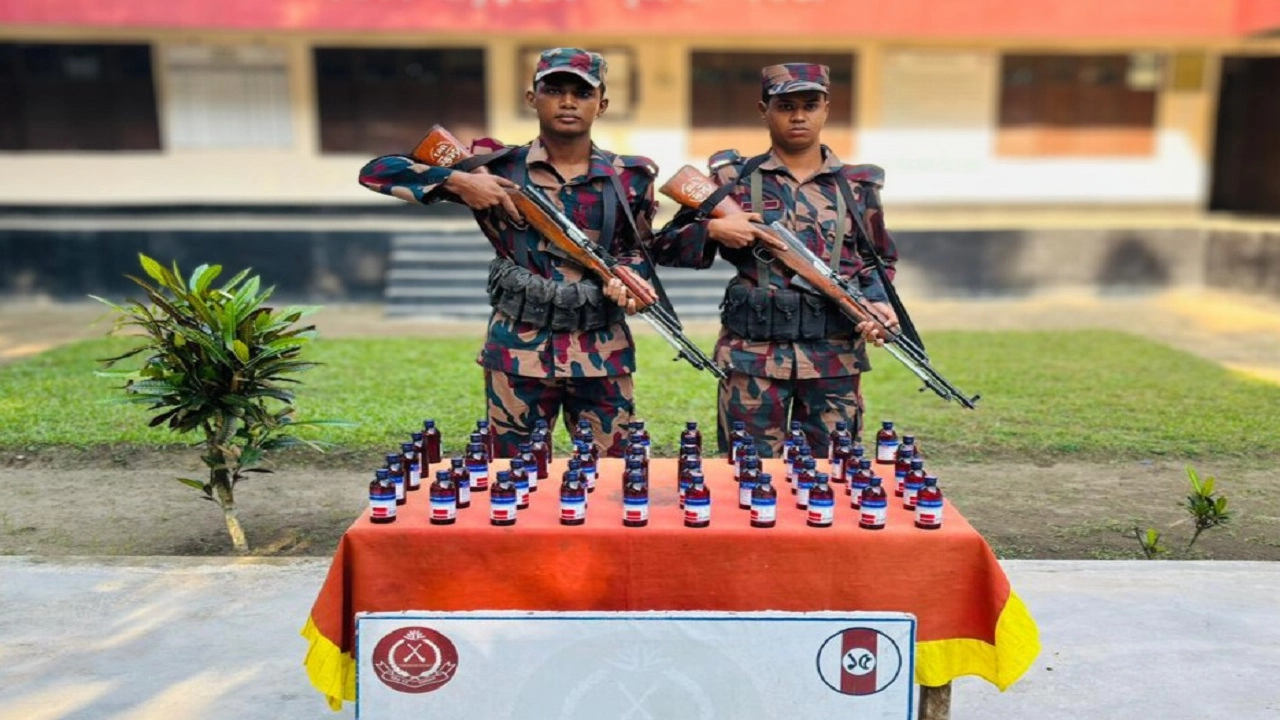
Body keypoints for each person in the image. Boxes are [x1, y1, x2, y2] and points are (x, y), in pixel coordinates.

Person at [358, 48, 659, 458]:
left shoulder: (629, 177)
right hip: (518, 349)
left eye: (582, 93)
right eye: (554, 90)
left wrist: (628, 280)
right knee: (513, 472)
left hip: (601, 348)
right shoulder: (497, 168)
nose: (568, 102)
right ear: (532, 98)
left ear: (601, 105)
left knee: (611, 470)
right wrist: (460, 183)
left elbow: (638, 250)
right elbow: (376, 172)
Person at [653, 62, 900, 458]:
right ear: (763, 110)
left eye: (810, 105)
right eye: (785, 106)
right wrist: (714, 230)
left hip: (833, 360)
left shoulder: (856, 186)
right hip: (751, 357)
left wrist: (879, 303)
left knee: (831, 473)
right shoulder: (732, 180)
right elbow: (663, 246)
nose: (798, 116)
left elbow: (878, 260)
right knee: (748, 473)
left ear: (826, 109)